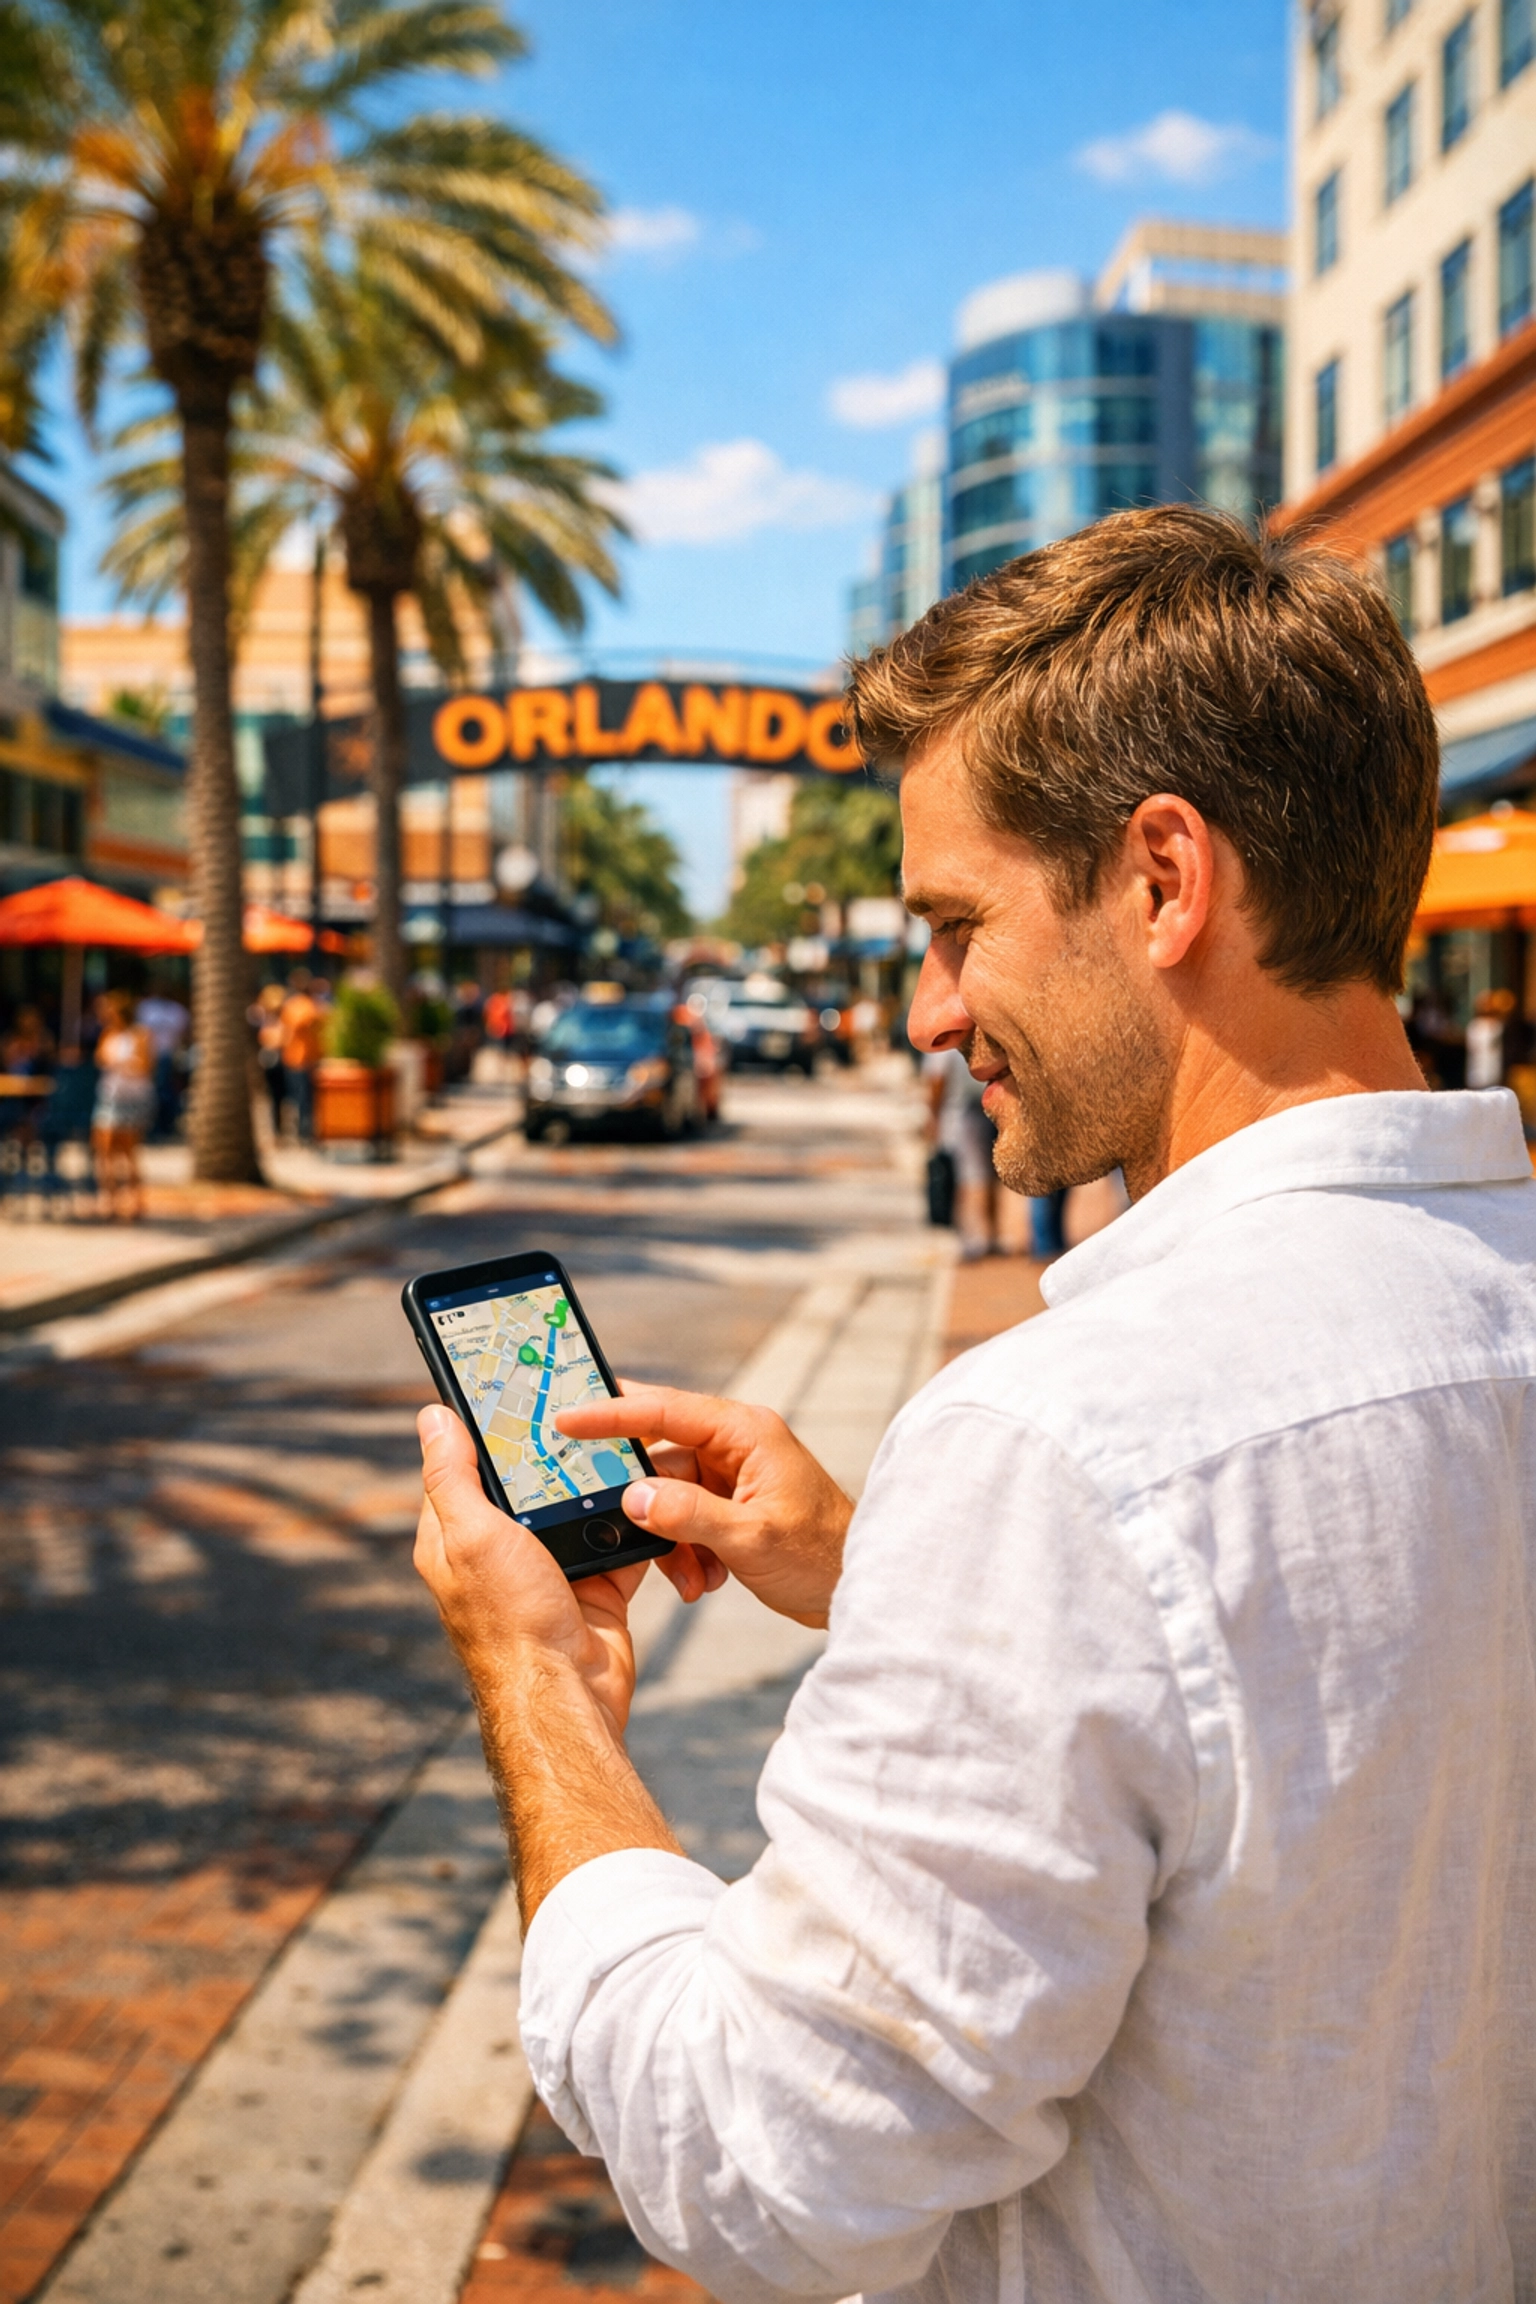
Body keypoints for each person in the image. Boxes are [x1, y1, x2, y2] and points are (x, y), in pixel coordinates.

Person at [412, 506, 1536, 2300]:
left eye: (957, 924)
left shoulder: (1066, 1444)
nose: (928, 1007)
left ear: (1165, 878)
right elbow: (1322, 1718)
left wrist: (535, 1685)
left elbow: (765, 2164)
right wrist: (885, 1573)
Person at [922, 1042, 996, 1258]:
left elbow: (936, 1083)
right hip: (978, 1111)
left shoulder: (943, 1049)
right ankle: (987, 1235)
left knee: (968, 1181)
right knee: (984, 1179)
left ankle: (974, 1237)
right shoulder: (973, 1043)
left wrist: (933, 1120)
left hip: (960, 1118)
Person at [91, 990, 155, 1219]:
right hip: (110, 1095)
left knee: (128, 1151)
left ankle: (136, 1201)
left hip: (131, 1097)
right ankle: (110, 1200)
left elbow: (145, 1065)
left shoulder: (139, 1035)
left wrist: (123, 1062)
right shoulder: (107, 1035)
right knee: (104, 1148)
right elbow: (99, 1059)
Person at [137, 979, 189, 1139]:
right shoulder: (146, 1008)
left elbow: (184, 1034)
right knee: (150, 1092)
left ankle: (166, 1126)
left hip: (169, 1057)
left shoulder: (177, 1010)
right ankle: (151, 1127)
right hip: (148, 1057)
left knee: (167, 1092)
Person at [278, 969, 325, 1144]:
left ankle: (306, 1132)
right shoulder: (306, 1006)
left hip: (304, 1059)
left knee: (304, 1099)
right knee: (301, 1098)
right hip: (299, 1059)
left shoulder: (302, 1005)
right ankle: (304, 1132)